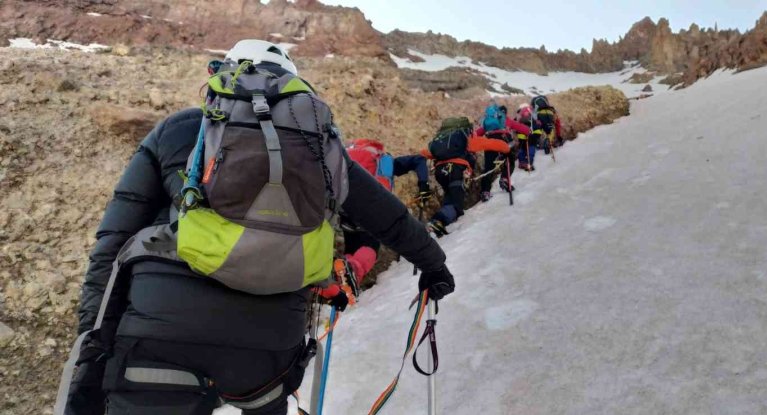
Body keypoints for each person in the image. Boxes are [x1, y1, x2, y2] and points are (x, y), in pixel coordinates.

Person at [60, 39, 455, 415]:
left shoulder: (177, 129)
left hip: (160, 337)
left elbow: (114, 240)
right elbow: (387, 216)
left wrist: (91, 342)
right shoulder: (316, 143)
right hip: (268, 351)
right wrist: (434, 266)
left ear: (222, 76)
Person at [315, 138, 433, 305]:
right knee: (370, 246)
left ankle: (344, 281)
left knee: (353, 246)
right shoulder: (383, 160)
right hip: (371, 207)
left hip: (343, 208)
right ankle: (352, 273)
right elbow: (418, 160)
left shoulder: (347, 157)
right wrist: (423, 185)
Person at [421, 117, 512, 237]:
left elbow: (425, 152)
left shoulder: (442, 141)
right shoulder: (465, 140)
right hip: (457, 170)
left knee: (450, 195)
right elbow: (492, 144)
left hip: (440, 172)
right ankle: (438, 220)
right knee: (456, 205)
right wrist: (507, 148)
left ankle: (443, 222)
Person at [474, 104, 530, 201]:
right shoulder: (507, 120)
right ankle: (505, 179)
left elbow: (478, 133)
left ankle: (485, 191)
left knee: (488, 167)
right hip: (504, 141)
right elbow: (520, 127)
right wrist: (529, 131)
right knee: (510, 160)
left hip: (490, 142)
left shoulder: (488, 122)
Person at [514, 104, 542, 171]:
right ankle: (529, 163)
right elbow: (538, 130)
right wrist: (535, 135)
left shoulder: (519, 120)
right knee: (531, 149)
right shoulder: (533, 120)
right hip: (531, 138)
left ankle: (522, 162)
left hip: (522, 139)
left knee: (522, 150)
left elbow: (516, 129)